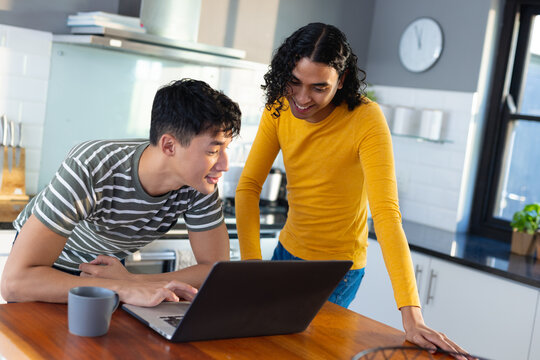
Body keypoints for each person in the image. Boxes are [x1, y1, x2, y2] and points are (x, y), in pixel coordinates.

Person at [235, 23, 468, 357]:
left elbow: (386, 215)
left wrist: (412, 317)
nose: (302, 98)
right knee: (263, 349)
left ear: (340, 81)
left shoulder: (366, 119)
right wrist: (252, 266)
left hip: (336, 271)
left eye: (318, 87)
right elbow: (248, 187)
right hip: (284, 255)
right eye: (294, 82)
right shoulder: (278, 108)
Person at [1, 78, 241, 307]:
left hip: (110, 269)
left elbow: (215, 269)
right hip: (49, 267)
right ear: (169, 145)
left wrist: (130, 281)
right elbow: (15, 283)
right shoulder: (92, 166)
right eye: (213, 151)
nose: (225, 165)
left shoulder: (199, 182)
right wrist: (122, 287)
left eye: (226, 149)